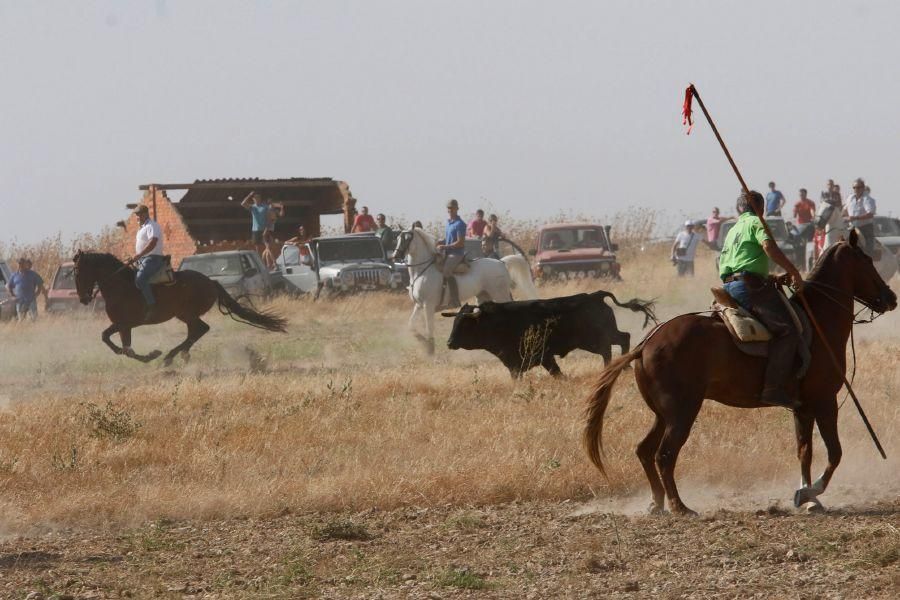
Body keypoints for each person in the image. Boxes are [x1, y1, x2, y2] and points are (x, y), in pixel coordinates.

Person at [719, 191, 804, 409]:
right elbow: (768, 247)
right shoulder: (758, 222)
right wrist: (793, 271)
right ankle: (772, 389)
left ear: (739, 208)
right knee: (788, 331)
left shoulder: (733, 229)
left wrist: (770, 277)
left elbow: (740, 261)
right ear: (761, 208)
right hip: (749, 287)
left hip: (730, 285)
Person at [126, 204, 166, 322]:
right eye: (136, 215)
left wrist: (139, 254)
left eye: (138, 215)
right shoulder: (142, 228)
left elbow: (153, 242)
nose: (137, 217)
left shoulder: (152, 226)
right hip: (142, 260)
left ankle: (153, 306)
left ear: (145, 214)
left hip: (153, 259)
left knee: (140, 279)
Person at [435, 199, 467, 307]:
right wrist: (441, 242)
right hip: (448, 252)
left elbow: (460, 243)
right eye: (448, 208)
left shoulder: (460, 224)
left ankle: (455, 300)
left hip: (456, 253)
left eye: (452, 208)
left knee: (447, 271)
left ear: (457, 209)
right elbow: (449, 239)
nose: (450, 210)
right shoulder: (448, 223)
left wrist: (444, 246)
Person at [843, 178, 876, 257]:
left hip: (865, 227)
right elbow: (844, 210)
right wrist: (844, 217)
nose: (856, 189)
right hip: (851, 227)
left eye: (858, 187)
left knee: (868, 249)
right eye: (854, 187)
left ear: (863, 188)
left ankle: (869, 260)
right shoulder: (850, 198)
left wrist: (855, 218)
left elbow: (870, 214)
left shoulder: (868, 199)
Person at [6, 257, 46, 322]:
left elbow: (40, 283)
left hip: (31, 300)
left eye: (22, 263)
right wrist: (12, 295)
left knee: (34, 319)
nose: (20, 265)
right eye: (19, 263)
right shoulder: (14, 275)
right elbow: (9, 286)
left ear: (25, 264)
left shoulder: (32, 274)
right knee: (21, 320)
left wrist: (37, 293)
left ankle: (35, 330)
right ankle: (23, 331)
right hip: (19, 301)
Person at [240, 191, 270, 258]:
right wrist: (249, 195)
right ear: (253, 199)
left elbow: (269, 219)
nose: (257, 199)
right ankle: (260, 261)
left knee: (267, 247)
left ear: (260, 198)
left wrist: (267, 229)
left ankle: (270, 262)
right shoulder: (253, 207)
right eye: (255, 198)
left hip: (264, 229)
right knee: (257, 247)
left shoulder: (265, 207)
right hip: (255, 229)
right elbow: (243, 203)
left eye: (258, 197)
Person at [792, 188, 816, 268]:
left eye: (803, 194)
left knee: (810, 231)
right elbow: (794, 215)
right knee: (792, 235)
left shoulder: (810, 203)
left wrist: (813, 215)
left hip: (808, 225)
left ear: (806, 194)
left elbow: (812, 212)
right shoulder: (797, 204)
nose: (801, 196)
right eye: (800, 194)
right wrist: (795, 212)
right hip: (800, 226)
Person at [261, 197, 285, 269]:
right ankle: (274, 263)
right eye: (270, 203)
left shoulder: (274, 210)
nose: (271, 204)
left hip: (270, 230)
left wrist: (282, 207)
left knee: (267, 249)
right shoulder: (266, 210)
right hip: (266, 229)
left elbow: (281, 214)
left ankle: (266, 264)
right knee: (269, 248)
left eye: (272, 203)